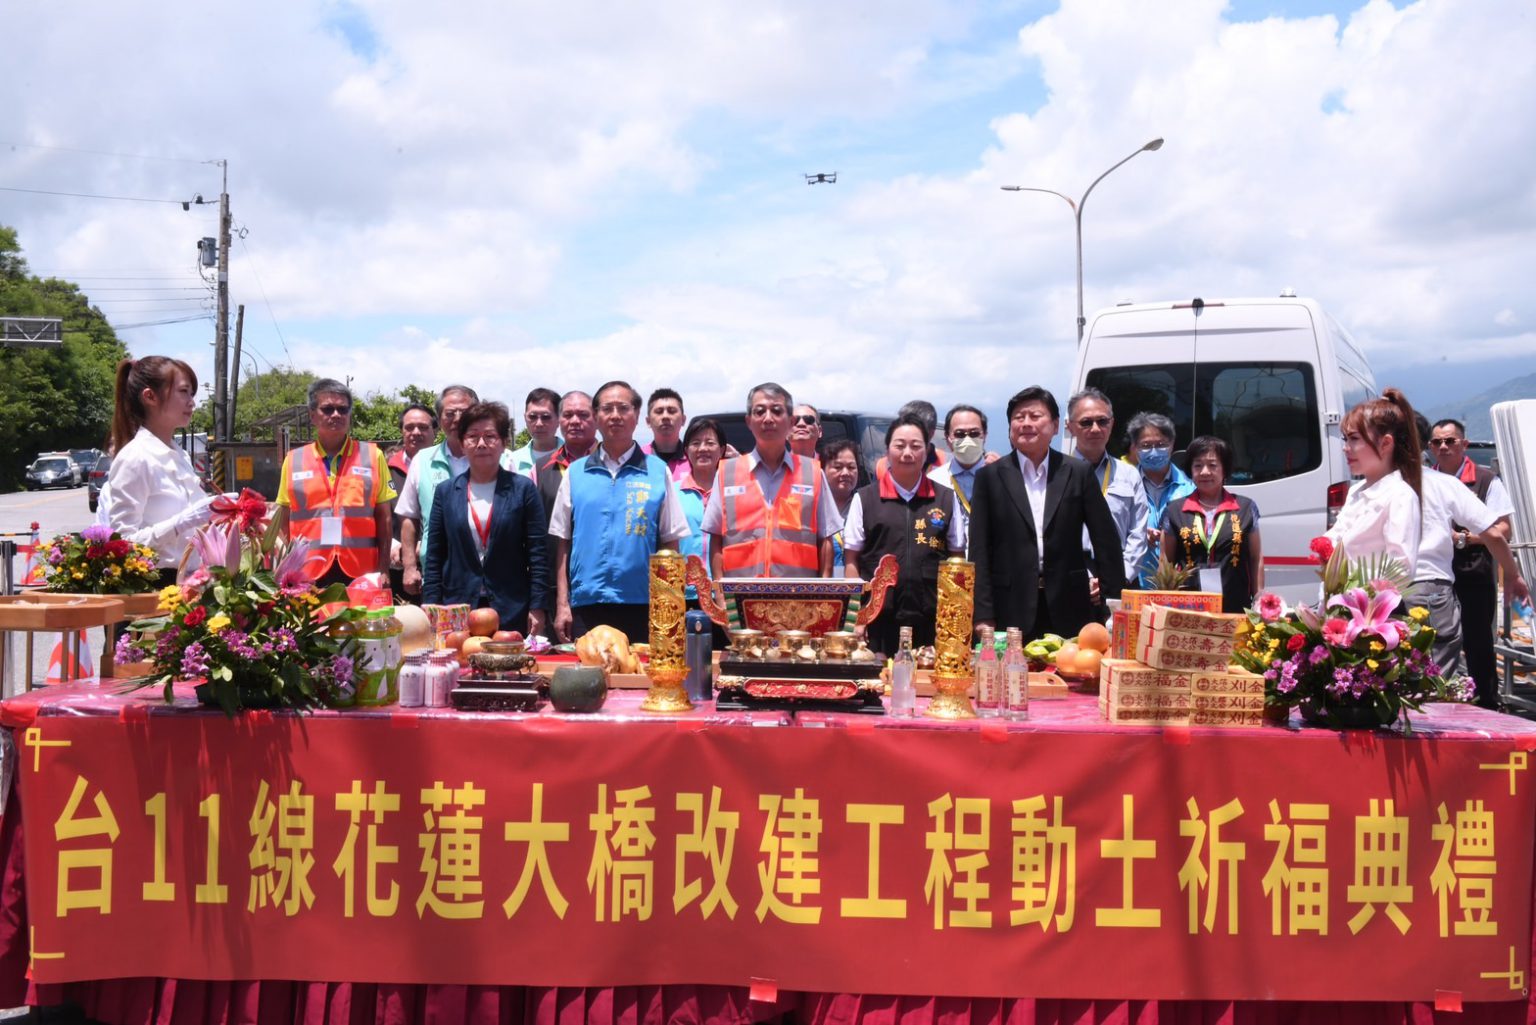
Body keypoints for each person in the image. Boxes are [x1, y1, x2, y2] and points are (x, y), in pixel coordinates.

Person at [970, 386, 1125, 641]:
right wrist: (983, 614)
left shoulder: (1077, 472)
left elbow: (1106, 541)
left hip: (1070, 605)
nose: (1026, 424)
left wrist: (1114, 606)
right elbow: (979, 550)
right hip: (1010, 606)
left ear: (1055, 426)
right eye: (1019, 418)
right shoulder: (990, 477)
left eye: (1035, 416)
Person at [549, 381, 690, 643]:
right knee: (588, 680)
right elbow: (563, 542)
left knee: (642, 680)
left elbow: (671, 542)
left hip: (642, 602)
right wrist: (562, 604)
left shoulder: (658, 472)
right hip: (587, 602)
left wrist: (671, 604)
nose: (615, 415)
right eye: (607, 408)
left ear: (637, 416)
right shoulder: (576, 473)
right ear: (596, 417)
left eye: (623, 408)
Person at [421, 402, 550, 637]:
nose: (481, 444)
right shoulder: (446, 492)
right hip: (458, 609)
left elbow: (538, 553)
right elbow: (435, 555)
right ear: (462, 443)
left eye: (490, 436)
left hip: (511, 607)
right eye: (472, 436)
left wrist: (538, 606)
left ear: (503, 443)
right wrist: (431, 604)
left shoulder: (523, 489)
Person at [845, 415, 965, 655]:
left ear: (927, 450)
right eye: (899, 445)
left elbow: (957, 558)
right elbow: (851, 561)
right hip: (878, 622)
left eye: (916, 446)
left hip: (932, 620)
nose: (907, 453)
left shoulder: (946, 498)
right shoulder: (865, 498)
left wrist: (955, 619)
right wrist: (857, 617)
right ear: (887, 450)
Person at [704, 383, 843, 578]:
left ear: (790, 421)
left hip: (798, 600)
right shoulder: (727, 473)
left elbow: (826, 538)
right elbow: (716, 539)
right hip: (739, 599)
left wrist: (821, 595)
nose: (768, 418)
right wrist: (720, 595)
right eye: (759, 412)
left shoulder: (813, 473)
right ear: (749, 421)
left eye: (777, 411)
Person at [102, 356, 221, 582]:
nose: (191, 402)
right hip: (154, 587)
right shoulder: (135, 458)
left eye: (191, 394)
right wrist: (178, 523)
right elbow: (122, 543)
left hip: (192, 582)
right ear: (150, 397)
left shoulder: (180, 455)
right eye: (184, 391)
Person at [1429, 418, 1520, 707]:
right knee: (1433, 642)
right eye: (1436, 442)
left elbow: (1504, 529)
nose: (1443, 447)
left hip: (1474, 571)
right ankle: (1438, 702)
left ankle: (1487, 703)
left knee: (1478, 641)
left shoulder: (1485, 479)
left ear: (1463, 444)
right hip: (1434, 573)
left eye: (1450, 441)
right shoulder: (1425, 479)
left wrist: (1465, 538)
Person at [272, 379, 395, 588]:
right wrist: (284, 567)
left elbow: (384, 518)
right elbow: (283, 521)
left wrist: (384, 570)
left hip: (362, 571)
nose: (336, 415)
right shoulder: (293, 460)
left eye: (342, 409)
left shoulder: (373, 456)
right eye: (327, 409)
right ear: (312, 415)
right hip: (307, 571)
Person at [399, 385, 507, 595]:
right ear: (438, 419)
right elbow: (408, 517)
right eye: (450, 413)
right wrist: (410, 567)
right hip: (438, 573)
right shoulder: (422, 460)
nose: (457, 418)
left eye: (464, 412)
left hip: (496, 576)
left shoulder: (501, 458)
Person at [1323, 389, 1423, 576]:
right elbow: (1338, 535)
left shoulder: (1400, 495)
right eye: (1346, 439)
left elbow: (1400, 570)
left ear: (1385, 443)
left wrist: (1361, 599)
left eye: (1354, 439)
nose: (1346, 448)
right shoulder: (1357, 490)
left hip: (1370, 604)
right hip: (1341, 600)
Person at [1160, 436, 1262, 613]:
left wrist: (1259, 597)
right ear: (1190, 470)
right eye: (1198, 465)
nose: (1205, 472)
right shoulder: (1174, 511)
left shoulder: (1246, 508)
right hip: (1189, 608)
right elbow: (1165, 562)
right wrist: (1164, 603)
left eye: (1213, 465)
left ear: (1225, 470)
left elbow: (1255, 557)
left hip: (1235, 606)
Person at [1064, 388, 1147, 602]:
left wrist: (1120, 577)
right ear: (1070, 427)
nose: (1095, 428)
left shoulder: (1129, 474)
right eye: (1086, 422)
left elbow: (1138, 533)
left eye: (1102, 421)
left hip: (1121, 580)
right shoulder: (1057, 474)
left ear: (1112, 424)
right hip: (1071, 579)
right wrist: (1085, 578)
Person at [1125, 411, 1194, 587]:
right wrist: (1138, 533)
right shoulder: (1123, 486)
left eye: (1161, 444)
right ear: (1135, 447)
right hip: (1134, 582)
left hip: (1178, 586)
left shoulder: (1189, 488)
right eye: (1146, 445)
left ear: (1172, 445)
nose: (1154, 451)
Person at [927, 404, 993, 554]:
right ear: (948, 438)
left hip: (991, 566)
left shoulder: (999, 477)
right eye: (960, 434)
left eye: (974, 433)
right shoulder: (934, 480)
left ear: (985, 436)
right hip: (949, 566)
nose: (967, 439)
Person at [388, 402, 437, 601]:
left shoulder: (446, 468)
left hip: (436, 568)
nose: (416, 432)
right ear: (401, 431)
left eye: (423, 427)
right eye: (409, 427)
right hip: (396, 570)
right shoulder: (385, 469)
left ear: (435, 430)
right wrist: (392, 544)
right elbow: (376, 514)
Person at [536, 390, 599, 521]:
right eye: (568, 415)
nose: (575, 421)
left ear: (597, 419)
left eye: (583, 415)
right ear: (559, 420)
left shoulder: (613, 463)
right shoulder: (540, 468)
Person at [821, 438, 861, 573]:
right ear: (823, 470)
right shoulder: (815, 507)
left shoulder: (865, 506)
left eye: (851, 467)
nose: (845, 473)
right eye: (837, 467)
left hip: (857, 587)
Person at [509, 387, 562, 479]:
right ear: (525, 418)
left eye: (545, 417)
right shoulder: (512, 461)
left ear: (559, 419)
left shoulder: (574, 459)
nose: (539, 424)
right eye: (532, 417)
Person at [642, 388, 690, 480]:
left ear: (683, 420)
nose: (665, 416)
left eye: (671, 411)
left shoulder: (694, 458)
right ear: (648, 421)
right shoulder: (637, 458)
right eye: (659, 411)